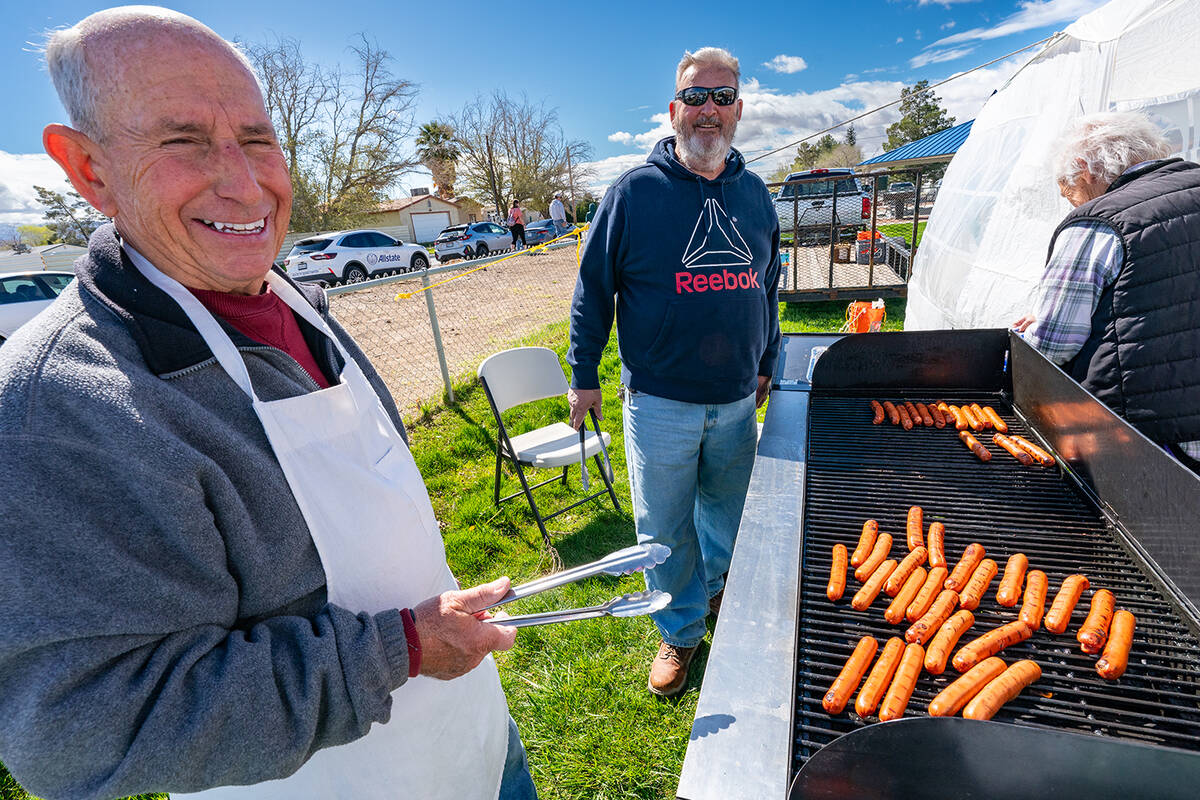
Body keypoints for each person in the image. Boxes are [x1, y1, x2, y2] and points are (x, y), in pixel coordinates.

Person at [0, 8, 536, 800]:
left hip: (476, 744)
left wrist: (429, 636)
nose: (245, 181)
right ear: (88, 169)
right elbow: (79, 732)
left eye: (258, 139)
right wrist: (402, 651)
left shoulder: (294, 297)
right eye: (181, 141)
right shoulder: (56, 405)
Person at [566, 47, 780, 697]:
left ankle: (713, 592)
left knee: (725, 510)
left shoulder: (754, 193)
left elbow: (769, 282)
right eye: (695, 97)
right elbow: (593, 288)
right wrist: (584, 374)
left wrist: (767, 360)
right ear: (674, 109)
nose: (708, 109)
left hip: (737, 398)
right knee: (664, 526)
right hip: (659, 399)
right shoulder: (634, 193)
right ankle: (679, 631)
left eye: (722, 97)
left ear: (738, 109)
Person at [1013, 111, 1200, 470]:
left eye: (1073, 196)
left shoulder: (1099, 222)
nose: (1078, 206)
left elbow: (1053, 344)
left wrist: (1029, 331)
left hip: (1147, 440)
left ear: (1084, 169)